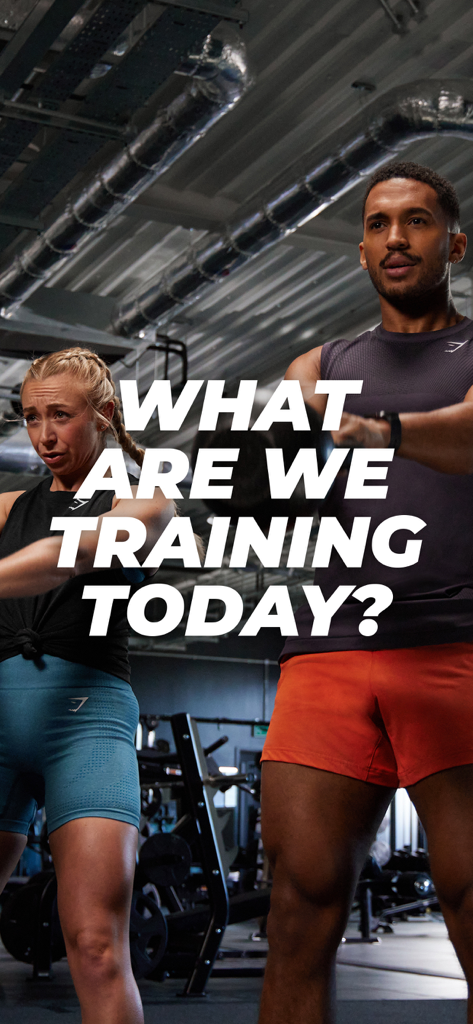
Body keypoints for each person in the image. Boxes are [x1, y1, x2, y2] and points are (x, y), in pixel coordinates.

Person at [259, 161, 473, 1024]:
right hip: (331, 651)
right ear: (359, 250)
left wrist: (373, 430)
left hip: (455, 645)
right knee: (298, 913)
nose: (396, 238)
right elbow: (258, 467)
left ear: (452, 244)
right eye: (379, 225)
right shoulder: (316, 364)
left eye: (416, 221)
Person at [0, 347, 173, 1024]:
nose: (43, 435)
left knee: (97, 947)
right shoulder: (9, 506)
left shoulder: (147, 502)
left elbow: (65, 554)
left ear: (103, 415)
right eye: (32, 416)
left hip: (87, 724)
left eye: (61, 416)